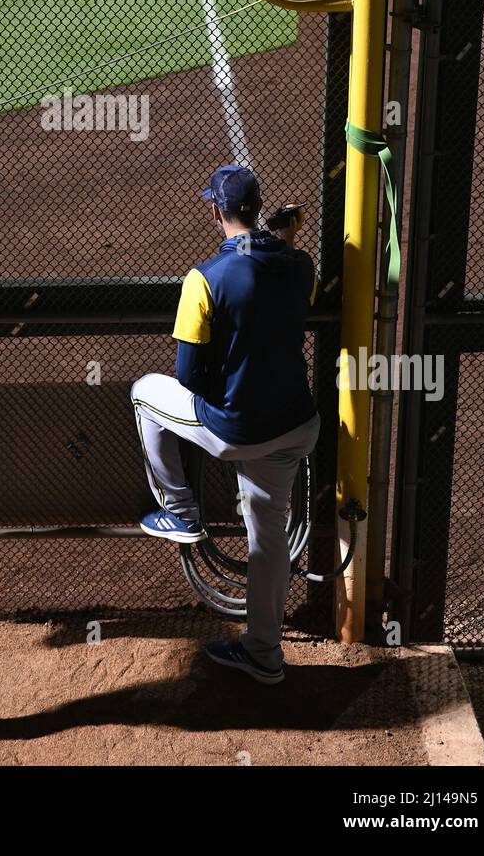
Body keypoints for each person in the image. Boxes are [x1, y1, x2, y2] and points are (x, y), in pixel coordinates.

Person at [131, 166, 320, 686]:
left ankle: (181, 511)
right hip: (297, 426)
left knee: (145, 394)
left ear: (215, 211)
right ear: (258, 210)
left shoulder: (203, 279)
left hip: (235, 430)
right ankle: (264, 653)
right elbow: (275, 283)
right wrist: (283, 238)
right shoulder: (301, 266)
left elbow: (188, 377)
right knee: (269, 538)